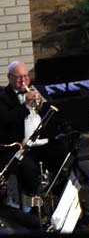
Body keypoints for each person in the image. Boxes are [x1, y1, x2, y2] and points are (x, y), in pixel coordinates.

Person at [0, 60, 58, 198]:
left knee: (62, 153)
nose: (24, 81)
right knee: (28, 167)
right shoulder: (3, 97)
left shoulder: (39, 90)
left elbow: (52, 116)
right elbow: (7, 121)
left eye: (26, 76)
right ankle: (36, 199)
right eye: (19, 77)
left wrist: (41, 108)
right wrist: (25, 106)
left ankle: (56, 192)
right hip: (20, 146)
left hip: (43, 142)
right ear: (9, 77)